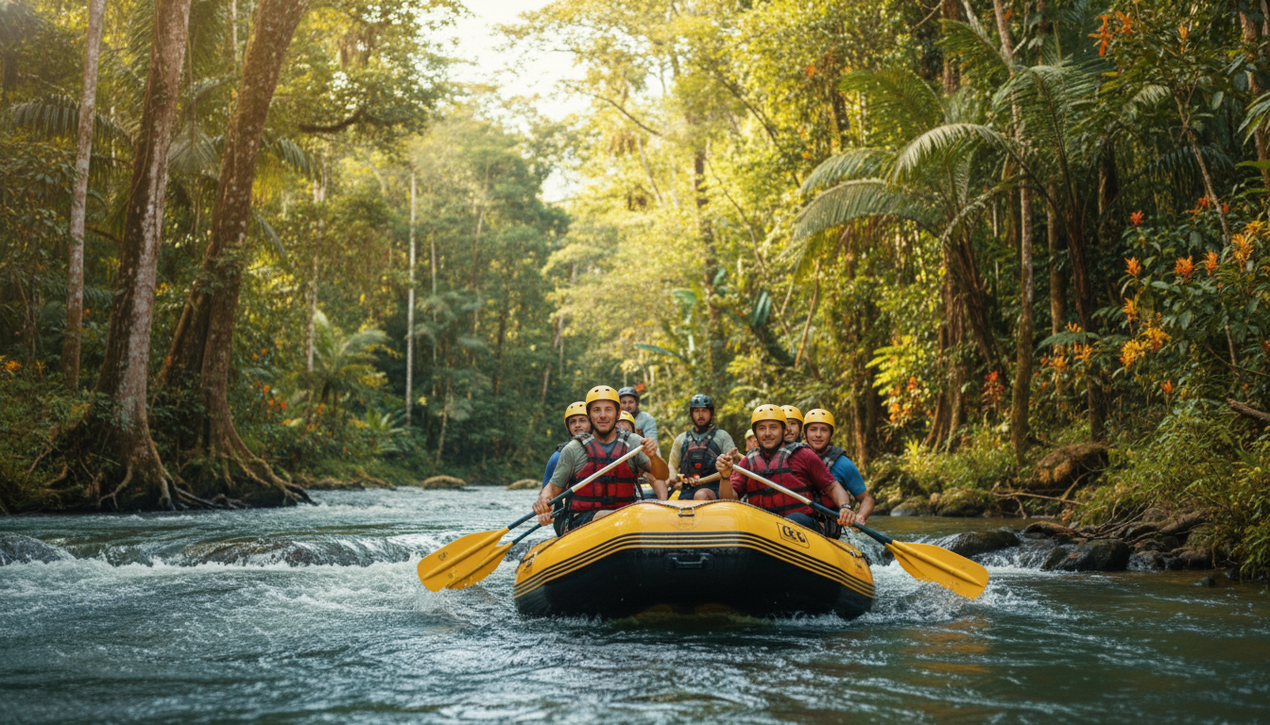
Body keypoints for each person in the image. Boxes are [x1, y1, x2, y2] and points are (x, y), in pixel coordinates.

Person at [535, 385, 669, 534]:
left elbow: (662, 475)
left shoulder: (634, 443)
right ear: (589, 415)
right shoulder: (573, 450)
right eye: (597, 410)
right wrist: (543, 505)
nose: (603, 415)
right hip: (582, 521)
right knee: (617, 517)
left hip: (627, 520)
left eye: (608, 410)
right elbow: (552, 489)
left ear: (618, 414)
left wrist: (653, 456)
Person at [715, 404, 860, 534]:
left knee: (794, 520)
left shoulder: (804, 455)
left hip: (803, 527)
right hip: (762, 529)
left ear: (784, 430)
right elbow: (729, 501)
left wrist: (845, 506)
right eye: (761, 428)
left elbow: (833, 487)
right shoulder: (748, 461)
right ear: (755, 432)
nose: (767, 433)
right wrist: (725, 477)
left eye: (773, 427)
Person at [802, 408, 874, 536]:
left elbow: (866, 498)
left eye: (824, 430)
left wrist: (860, 517)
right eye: (813, 429)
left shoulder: (843, 463)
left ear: (830, 434)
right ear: (805, 433)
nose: (818, 434)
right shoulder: (796, 458)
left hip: (830, 527)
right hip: (800, 520)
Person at [667, 394, 735, 501]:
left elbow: (731, 469)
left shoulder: (722, 437)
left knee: (701, 495)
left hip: (715, 489)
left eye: (704, 411)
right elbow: (672, 465)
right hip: (687, 490)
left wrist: (702, 481)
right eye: (696, 411)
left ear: (711, 414)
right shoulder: (681, 439)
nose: (700, 415)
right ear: (691, 414)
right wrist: (672, 479)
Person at [542, 401, 591, 488]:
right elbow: (547, 493)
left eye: (582, 420)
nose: (577, 425)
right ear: (568, 426)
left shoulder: (605, 449)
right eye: (572, 422)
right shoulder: (558, 456)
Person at [618, 386, 658, 455]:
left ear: (637, 403)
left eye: (631, 402)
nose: (627, 406)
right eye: (624, 403)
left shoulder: (646, 418)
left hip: (643, 455)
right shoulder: (615, 419)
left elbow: (651, 443)